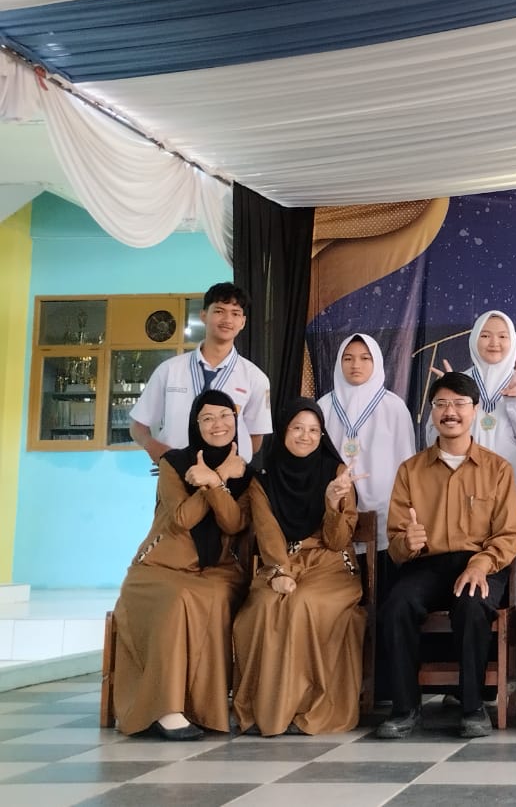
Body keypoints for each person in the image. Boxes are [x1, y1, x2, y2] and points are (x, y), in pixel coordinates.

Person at [378, 372, 516, 739]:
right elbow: (395, 542)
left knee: (472, 604)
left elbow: (508, 535)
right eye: (441, 404)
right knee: (396, 605)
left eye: (459, 403)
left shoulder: (497, 469)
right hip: (427, 564)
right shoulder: (411, 470)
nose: (450, 412)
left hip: (480, 562)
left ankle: (472, 707)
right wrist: (407, 542)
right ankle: (405, 709)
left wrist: (481, 564)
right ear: (432, 412)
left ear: (475, 410)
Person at [111, 391, 252, 739]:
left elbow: (233, 523)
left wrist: (215, 480)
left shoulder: (245, 472)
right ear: (195, 424)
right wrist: (217, 477)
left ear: (236, 422)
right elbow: (182, 518)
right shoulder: (174, 463)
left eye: (225, 416)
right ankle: (166, 709)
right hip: (161, 565)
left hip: (216, 570)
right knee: (176, 600)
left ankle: (204, 708)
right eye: (207, 418)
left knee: (211, 599)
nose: (218, 425)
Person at [232, 399, 366, 736]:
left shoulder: (336, 473)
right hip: (281, 562)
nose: (306, 436)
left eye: (314, 430)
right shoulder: (263, 478)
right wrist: (279, 572)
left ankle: (306, 709)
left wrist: (333, 501)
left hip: (332, 567)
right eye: (297, 428)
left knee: (303, 604)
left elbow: (337, 540)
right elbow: (267, 531)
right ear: (283, 430)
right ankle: (263, 710)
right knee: (262, 606)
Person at [428, 310, 516, 680]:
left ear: (513, 342)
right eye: (486, 335)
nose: (494, 343)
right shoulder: (458, 385)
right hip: (467, 506)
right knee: (472, 588)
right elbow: (435, 442)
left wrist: (515, 404)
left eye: (502, 336)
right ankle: (472, 674)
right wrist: (454, 400)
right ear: (474, 340)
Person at [130, 282, 272, 461]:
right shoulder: (170, 370)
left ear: (242, 322)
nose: (227, 320)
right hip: (177, 470)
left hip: (228, 474)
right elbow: (138, 426)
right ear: (204, 315)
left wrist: (229, 463)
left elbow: (256, 438)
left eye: (235, 313)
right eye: (219, 311)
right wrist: (157, 450)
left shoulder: (255, 378)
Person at [318, 333, 417, 573]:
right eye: (348, 358)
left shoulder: (394, 407)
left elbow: (408, 462)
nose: (356, 365)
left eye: (365, 358)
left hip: (385, 508)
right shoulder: (323, 406)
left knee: (381, 581)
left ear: (377, 362)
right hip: (337, 508)